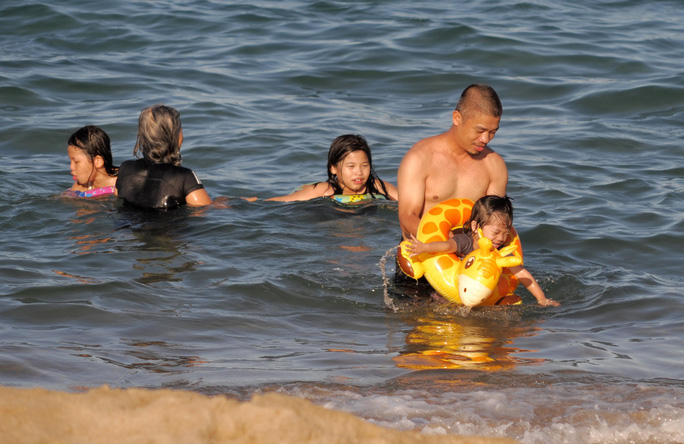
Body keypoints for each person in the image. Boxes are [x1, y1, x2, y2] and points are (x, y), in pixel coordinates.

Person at [404, 195, 560, 307]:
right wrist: (424, 247)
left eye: (505, 234)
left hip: (485, 296)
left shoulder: (501, 253)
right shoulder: (465, 242)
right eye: (496, 232)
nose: (500, 238)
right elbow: (446, 246)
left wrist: (542, 299)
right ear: (475, 227)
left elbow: (522, 273)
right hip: (453, 291)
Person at [397, 84, 507, 239]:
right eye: (480, 131)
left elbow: (495, 221)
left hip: (470, 252)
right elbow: (407, 217)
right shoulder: (420, 158)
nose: (485, 139)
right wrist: (446, 241)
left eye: (492, 132)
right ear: (457, 118)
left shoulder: (494, 166)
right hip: (423, 251)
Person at [116, 104, 212, 209]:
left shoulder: (125, 169)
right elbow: (204, 211)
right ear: (173, 136)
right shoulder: (185, 177)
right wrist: (222, 202)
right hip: (166, 225)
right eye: (180, 130)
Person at [267, 134, 398, 202]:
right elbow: (284, 201)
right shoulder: (325, 190)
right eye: (351, 166)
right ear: (333, 168)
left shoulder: (378, 187)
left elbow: (411, 203)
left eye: (365, 165)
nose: (359, 172)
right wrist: (255, 202)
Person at [66, 125, 118, 197]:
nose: (71, 167)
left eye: (76, 162)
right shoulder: (81, 187)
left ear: (98, 161)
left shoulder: (121, 184)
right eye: (70, 161)